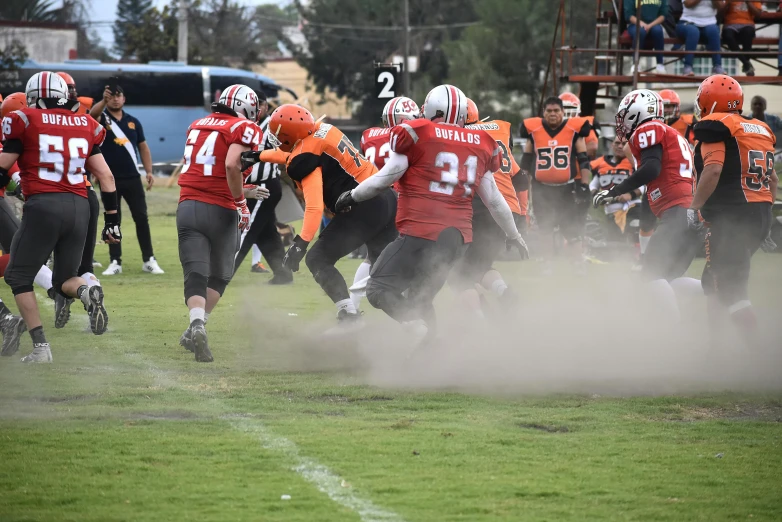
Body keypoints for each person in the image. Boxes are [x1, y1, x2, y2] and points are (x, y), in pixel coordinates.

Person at [334, 84, 528, 342]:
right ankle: (429, 352)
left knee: (378, 289)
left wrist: (351, 196)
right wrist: (514, 234)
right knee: (420, 297)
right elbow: (494, 200)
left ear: (433, 108)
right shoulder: (480, 142)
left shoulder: (419, 133)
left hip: (420, 233)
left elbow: (383, 180)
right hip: (458, 240)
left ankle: (420, 333)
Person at [0, 72, 121, 363]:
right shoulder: (86, 123)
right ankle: (85, 289)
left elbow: (3, 168)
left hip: (44, 204)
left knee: (18, 276)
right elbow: (105, 176)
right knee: (66, 277)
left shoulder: (24, 120)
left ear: (36, 97)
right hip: (81, 205)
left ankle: (41, 347)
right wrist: (112, 221)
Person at [245, 104, 398, 327]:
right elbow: (290, 154)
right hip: (386, 198)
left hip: (363, 206)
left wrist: (300, 244)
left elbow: (315, 207)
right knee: (381, 272)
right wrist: (260, 156)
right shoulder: (322, 130)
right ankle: (415, 322)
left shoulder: (306, 158)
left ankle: (348, 315)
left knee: (317, 258)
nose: (278, 141)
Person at [594, 89, 702, 322]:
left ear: (638, 112)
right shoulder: (673, 134)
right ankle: (716, 293)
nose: (622, 122)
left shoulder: (648, 128)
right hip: (689, 213)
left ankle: (672, 332)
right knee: (667, 278)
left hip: (678, 212)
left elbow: (651, 169)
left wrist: (615, 191)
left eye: (625, 115)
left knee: (650, 275)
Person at [176, 84, 260, 362]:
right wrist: (241, 202)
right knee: (220, 276)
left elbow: (207, 170)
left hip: (188, 206)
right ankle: (198, 326)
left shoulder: (197, 125)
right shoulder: (243, 127)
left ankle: (196, 323)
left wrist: (242, 191)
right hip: (221, 210)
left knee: (195, 273)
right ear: (245, 107)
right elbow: (231, 165)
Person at [691, 74, 778, 344]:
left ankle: (758, 357)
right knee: (713, 281)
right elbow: (772, 180)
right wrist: (764, 218)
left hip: (733, 216)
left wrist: (693, 208)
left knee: (730, 289)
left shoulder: (718, 129)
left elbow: (713, 170)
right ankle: (716, 347)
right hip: (759, 213)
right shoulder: (759, 128)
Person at [453, 97, 528, 312]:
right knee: (479, 266)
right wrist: (523, 214)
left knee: (456, 273)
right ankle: (505, 293)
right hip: (508, 211)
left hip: (483, 208)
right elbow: (521, 178)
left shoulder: (461, 137)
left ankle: (482, 321)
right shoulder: (497, 132)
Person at [90, 82, 164, 275]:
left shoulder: (133, 121)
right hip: (109, 180)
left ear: (124, 98)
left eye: (118, 95)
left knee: (141, 218)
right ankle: (115, 261)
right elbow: (91, 115)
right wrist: (102, 101)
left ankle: (149, 260)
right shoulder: (101, 118)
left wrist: (148, 171)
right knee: (114, 220)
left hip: (132, 177)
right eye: (111, 96)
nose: (115, 98)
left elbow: (143, 147)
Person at [53, 73, 105, 327]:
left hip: (54, 196)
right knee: (84, 263)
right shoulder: (82, 117)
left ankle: (64, 296)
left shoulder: (39, 119)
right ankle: (91, 289)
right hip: (87, 194)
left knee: (53, 263)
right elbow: (103, 171)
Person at [520, 96, 592, 274]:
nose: (552, 114)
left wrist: (584, 184)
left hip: (566, 188)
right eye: (549, 111)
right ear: (543, 113)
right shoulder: (534, 130)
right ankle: (547, 263)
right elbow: (526, 160)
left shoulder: (574, 130)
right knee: (545, 228)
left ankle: (577, 263)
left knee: (572, 228)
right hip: (541, 188)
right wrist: (522, 182)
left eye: (556, 111)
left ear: (562, 112)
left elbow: (584, 161)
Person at [233, 92, 292, 285]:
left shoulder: (273, 127)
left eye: (260, 105)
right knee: (266, 232)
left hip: (263, 185)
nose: (256, 109)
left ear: (267, 107)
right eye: (252, 104)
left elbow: (286, 150)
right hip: (250, 186)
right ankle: (283, 274)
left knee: (245, 228)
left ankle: (224, 271)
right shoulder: (242, 126)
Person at [589, 136, 642, 242]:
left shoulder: (635, 163)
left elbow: (644, 185)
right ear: (612, 145)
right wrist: (598, 196)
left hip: (632, 207)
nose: (620, 146)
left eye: (624, 143)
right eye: (617, 143)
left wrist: (630, 195)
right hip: (611, 211)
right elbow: (593, 185)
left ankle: (639, 256)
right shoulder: (601, 163)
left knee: (635, 232)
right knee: (615, 243)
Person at [676, 0, 725, 76]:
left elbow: (721, 6)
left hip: (710, 22)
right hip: (688, 21)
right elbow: (688, 4)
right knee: (693, 32)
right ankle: (687, 67)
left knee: (714, 31)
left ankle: (717, 66)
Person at [624, 0, 669, 74]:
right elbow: (629, 15)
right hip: (635, 24)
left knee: (658, 30)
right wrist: (642, 24)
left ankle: (660, 64)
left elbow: (663, 15)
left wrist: (649, 26)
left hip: (654, 24)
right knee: (640, 31)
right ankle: (635, 64)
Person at [721, 1, 762, 76]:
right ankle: (746, 63)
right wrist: (727, 4)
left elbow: (758, 15)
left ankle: (746, 64)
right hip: (730, 24)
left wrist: (749, 2)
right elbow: (719, 14)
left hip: (747, 24)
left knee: (748, 33)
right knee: (728, 36)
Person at [559, 93, 601, 159]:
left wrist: (574, 159)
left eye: (571, 108)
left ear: (578, 110)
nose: (567, 111)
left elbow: (592, 147)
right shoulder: (549, 124)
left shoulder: (583, 123)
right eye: (564, 108)